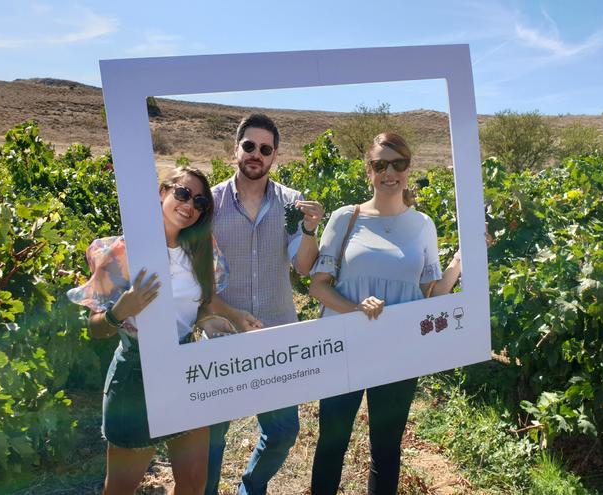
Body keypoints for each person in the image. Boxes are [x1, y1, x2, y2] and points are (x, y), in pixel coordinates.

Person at [68, 167, 252, 495]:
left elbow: (202, 303)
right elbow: (96, 329)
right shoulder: (125, 253)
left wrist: (231, 315)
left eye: (199, 201)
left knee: (194, 483)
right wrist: (119, 311)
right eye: (182, 193)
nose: (189, 205)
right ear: (162, 192)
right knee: (121, 488)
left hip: (185, 369)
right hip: (136, 375)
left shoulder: (199, 248)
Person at [307, 133, 462, 494]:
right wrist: (356, 309)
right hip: (345, 346)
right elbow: (319, 286)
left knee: (387, 449)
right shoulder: (346, 218)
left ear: (409, 168)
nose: (389, 172)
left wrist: (458, 263)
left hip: (399, 351)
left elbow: (430, 294)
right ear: (369, 171)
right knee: (331, 443)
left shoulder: (423, 225)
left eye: (398, 164)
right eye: (380, 165)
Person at [205, 113, 325, 495]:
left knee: (283, 431)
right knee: (210, 436)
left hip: (276, 337)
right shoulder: (210, 203)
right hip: (223, 336)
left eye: (265, 149)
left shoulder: (291, 204)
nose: (256, 154)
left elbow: (303, 266)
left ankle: (251, 488)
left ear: (275, 156)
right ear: (235, 149)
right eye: (249, 146)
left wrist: (309, 229)